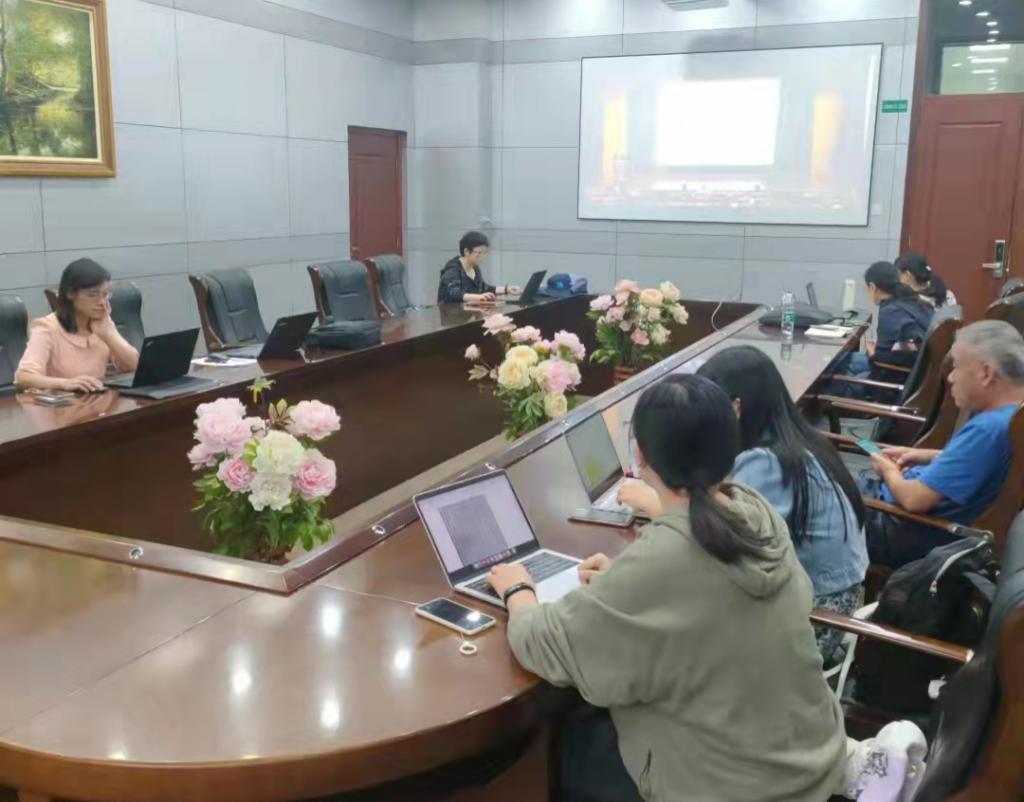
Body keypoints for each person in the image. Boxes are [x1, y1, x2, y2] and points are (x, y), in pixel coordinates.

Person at [488, 374, 846, 802]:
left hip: (739, 788)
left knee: (564, 743)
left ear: (640, 455)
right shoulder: (756, 513)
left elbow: (545, 643)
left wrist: (518, 592)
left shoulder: (664, 562)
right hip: (813, 761)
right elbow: (704, 597)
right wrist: (626, 586)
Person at [621, 346, 869, 663]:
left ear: (736, 408)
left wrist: (651, 501)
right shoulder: (797, 441)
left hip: (812, 619)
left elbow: (719, 539)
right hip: (829, 600)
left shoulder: (766, 462)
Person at [864, 320, 1024, 568]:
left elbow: (914, 499)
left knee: (816, 498)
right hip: (914, 524)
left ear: (986, 374)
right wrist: (925, 455)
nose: (950, 378)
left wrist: (888, 470)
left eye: (956, 367)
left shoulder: (987, 429)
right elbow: (979, 463)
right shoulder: (1010, 418)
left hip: (906, 531)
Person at [15, 258, 139, 393]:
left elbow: (136, 366)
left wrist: (109, 334)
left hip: (97, 400)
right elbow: (24, 377)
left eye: (105, 294)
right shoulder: (47, 327)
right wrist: (65, 383)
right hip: (65, 403)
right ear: (71, 293)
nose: (102, 302)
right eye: (93, 295)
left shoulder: (102, 323)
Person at [828, 261, 934, 396]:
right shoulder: (915, 302)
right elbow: (918, 345)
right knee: (846, 360)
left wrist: (874, 353)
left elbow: (883, 358)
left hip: (889, 384)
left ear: (872, 287)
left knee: (833, 380)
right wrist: (886, 347)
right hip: (914, 375)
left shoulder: (891, 311)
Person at [437, 231, 519, 305]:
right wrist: (479, 297)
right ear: (466, 252)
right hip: (450, 314)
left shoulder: (475, 268)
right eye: (479, 253)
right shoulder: (453, 269)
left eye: (485, 253)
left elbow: (483, 288)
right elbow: (454, 294)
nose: (483, 257)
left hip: (468, 313)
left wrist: (506, 290)